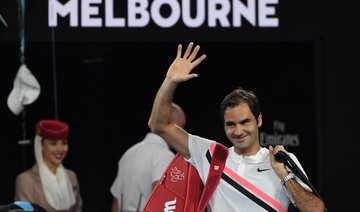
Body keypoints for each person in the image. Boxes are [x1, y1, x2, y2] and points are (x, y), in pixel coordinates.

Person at [147, 42, 326, 211]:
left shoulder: (282, 161)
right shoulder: (211, 155)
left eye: (245, 122)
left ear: (259, 120)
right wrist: (169, 82)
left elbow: (317, 209)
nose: (238, 131)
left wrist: (285, 176)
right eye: (231, 124)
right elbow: (159, 125)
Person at [110, 103, 186, 212]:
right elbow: (162, 204)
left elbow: (116, 204)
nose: (184, 132)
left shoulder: (128, 154)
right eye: (182, 125)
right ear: (171, 123)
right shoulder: (165, 156)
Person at [15, 119, 82, 212]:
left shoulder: (71, 176)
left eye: (64, 143)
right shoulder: (26, 180)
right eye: (53, 144)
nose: (60, 149)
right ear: (41, 145)